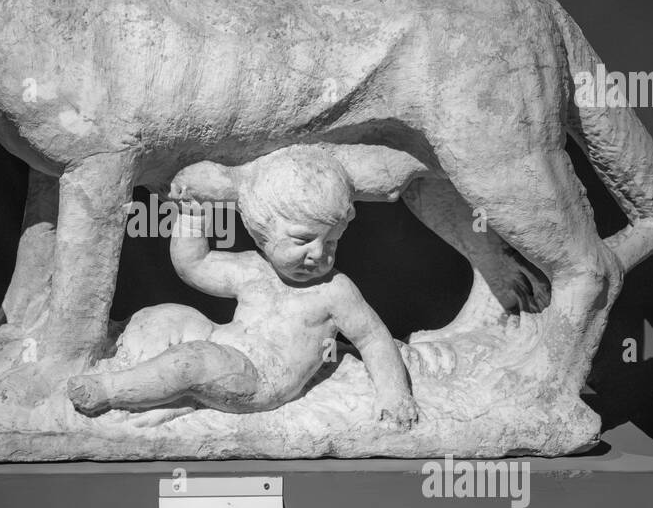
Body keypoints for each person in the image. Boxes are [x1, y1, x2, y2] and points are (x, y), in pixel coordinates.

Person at [67, 146, 418, 426]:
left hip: (259, 380)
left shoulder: (334, 290)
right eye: (303, 239)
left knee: (192, 362)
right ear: (262, 231)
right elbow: (195, 265)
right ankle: (142, 377)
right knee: (163, 316)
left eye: (331, 243)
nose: (318, 253)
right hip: (222, 344)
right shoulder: (255, 270)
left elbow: (372, 338)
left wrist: (394, 395)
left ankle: (108, 391)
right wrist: (193, 213)